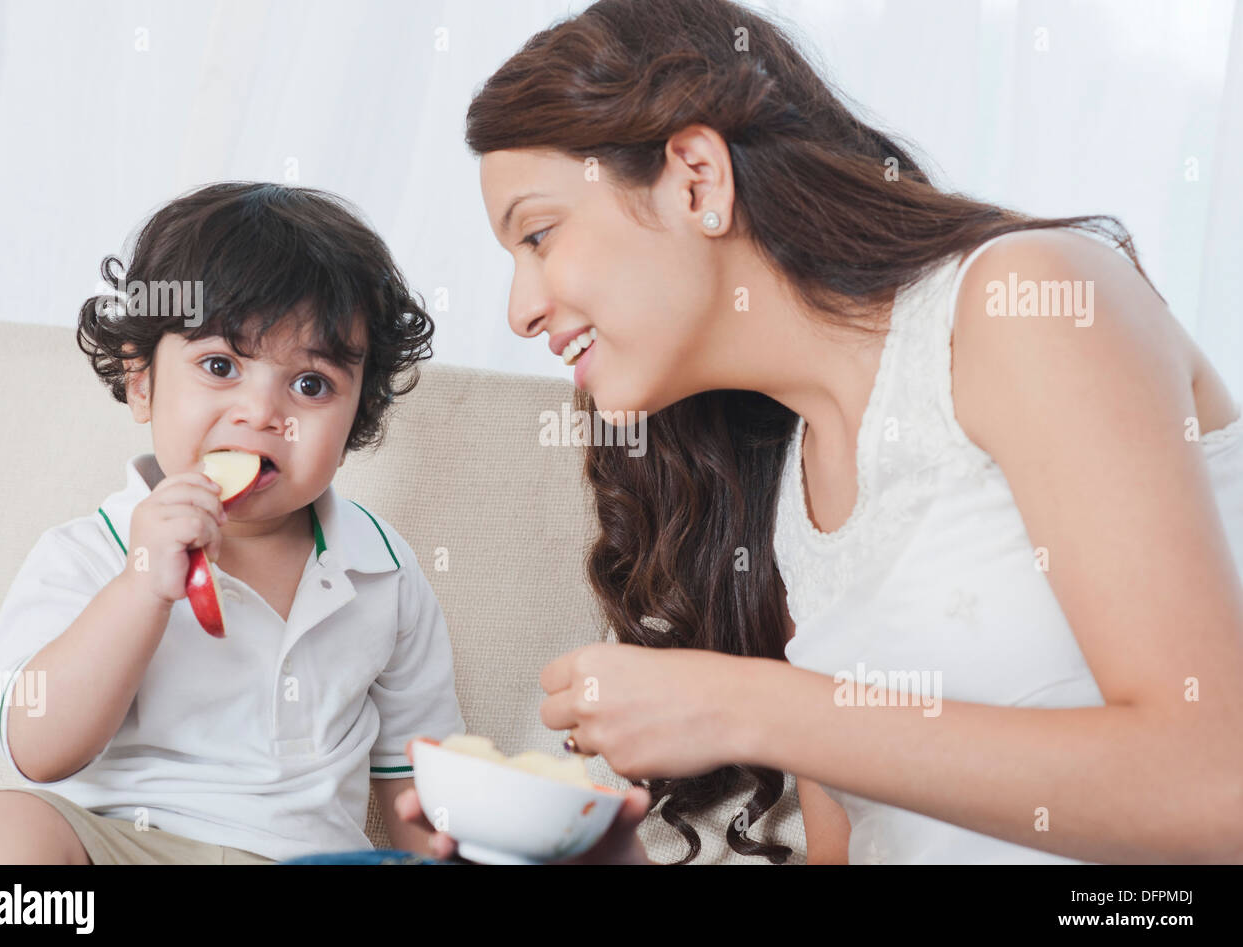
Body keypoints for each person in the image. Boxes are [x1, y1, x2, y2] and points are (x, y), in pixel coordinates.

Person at [395, 0, 1243, 864]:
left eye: (538, 234)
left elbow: (1216, 784)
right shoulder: (788, 482)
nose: (521, 309)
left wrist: (745, 705)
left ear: (696, 178)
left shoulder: (1027, 300)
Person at [0, 182, 466, 865]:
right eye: (220, 366)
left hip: (306, 861)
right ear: (141, 383)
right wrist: (141, 588)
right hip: (126, 849)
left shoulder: (381, 566)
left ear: (357, 413)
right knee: (7, 823)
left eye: (311, 385)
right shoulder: (86, 554)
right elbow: (38, 752)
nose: (260, 412)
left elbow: (418, 781)